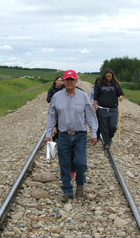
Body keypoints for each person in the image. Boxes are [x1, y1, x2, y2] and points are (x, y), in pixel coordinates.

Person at [44, 70, 98, 202]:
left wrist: (94, 133)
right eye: (67, 79)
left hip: (80, 135)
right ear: (63, 81)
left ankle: (80, 187)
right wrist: (48, 134)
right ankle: (67, 190)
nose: (69, 82)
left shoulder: (83, 96)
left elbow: (90, 115)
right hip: (63, 136)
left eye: (71, 80)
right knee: (64, 163)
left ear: (75, 81)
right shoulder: (56, 97)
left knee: (80, 163)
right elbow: (51, 116)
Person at [46, 76, 76, 180]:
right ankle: (64, 170)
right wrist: (53, 127)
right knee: (62, 150)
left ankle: (71, 169)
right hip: (58, 121)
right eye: (58, 80)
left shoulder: (67, 90)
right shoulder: (53, 91)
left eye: (60, 80)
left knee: (71, 149)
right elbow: (50, 106)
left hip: (68, 123)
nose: (59, 82)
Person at [93, 68, 123, 149]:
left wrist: (120, 97)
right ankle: (107, 142)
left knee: (113, 126)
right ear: (104, 76)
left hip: (113, 109)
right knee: (104, 127)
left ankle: (109, 138)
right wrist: (94, 107)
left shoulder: (115, 84)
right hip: (102, 109)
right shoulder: (100, 85)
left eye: (109, 76)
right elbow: (96, 97)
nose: (108, 78)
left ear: (112, 76)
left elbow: (120, 93)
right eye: (107, 76)